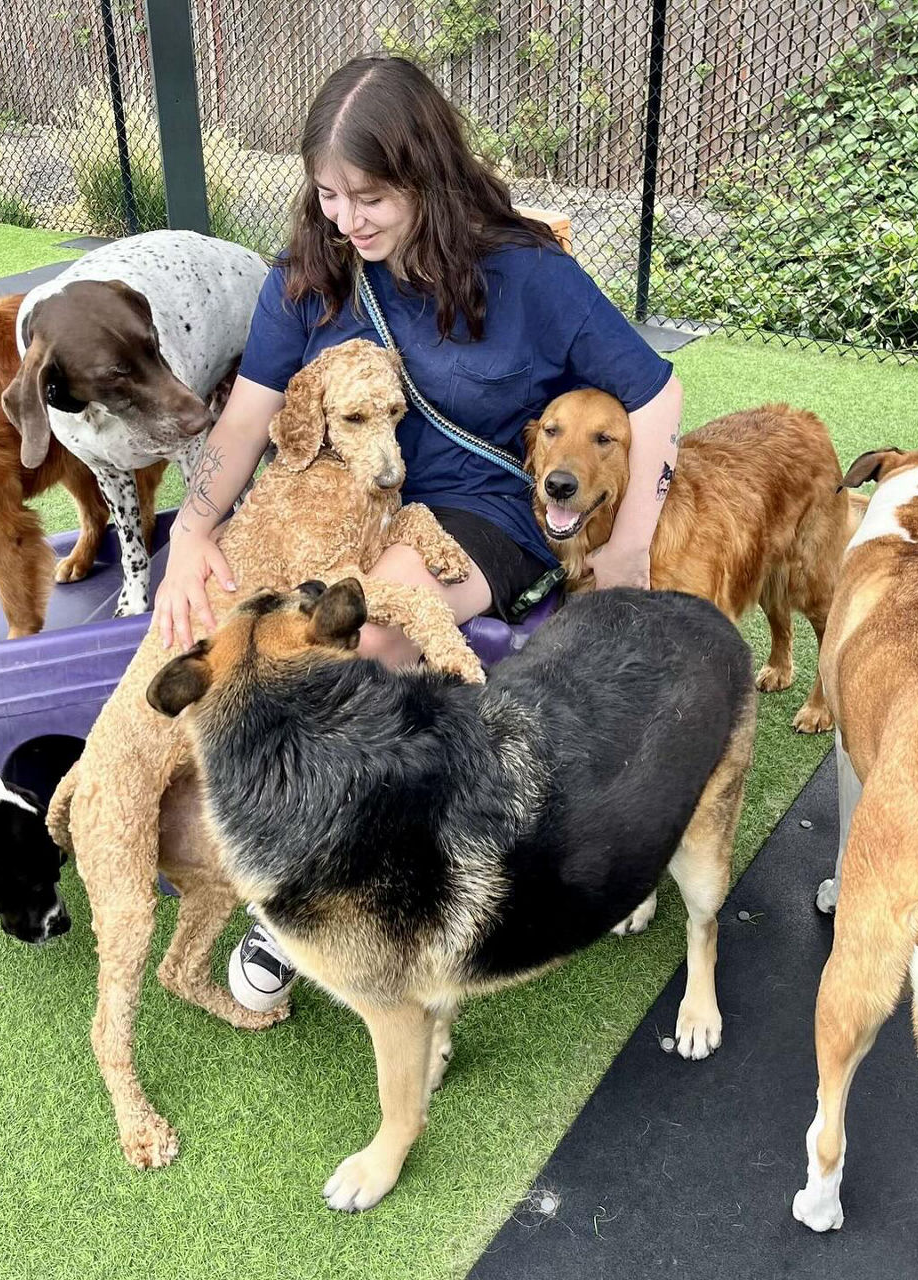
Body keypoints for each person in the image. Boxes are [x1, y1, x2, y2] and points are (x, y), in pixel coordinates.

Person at [153, 55, 683, 1012]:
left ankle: (320, 891)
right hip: (333, 500)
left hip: (472, 511)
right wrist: (193, 533)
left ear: (428, 177)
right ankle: (226, 825)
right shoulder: (308, 277)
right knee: (224, 624)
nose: (348, 222)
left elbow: (657, 390)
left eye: (371, 198)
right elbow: (242, 427)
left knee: (370, 629)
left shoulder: (526, 274)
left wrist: (630, 542)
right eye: (327, 195)